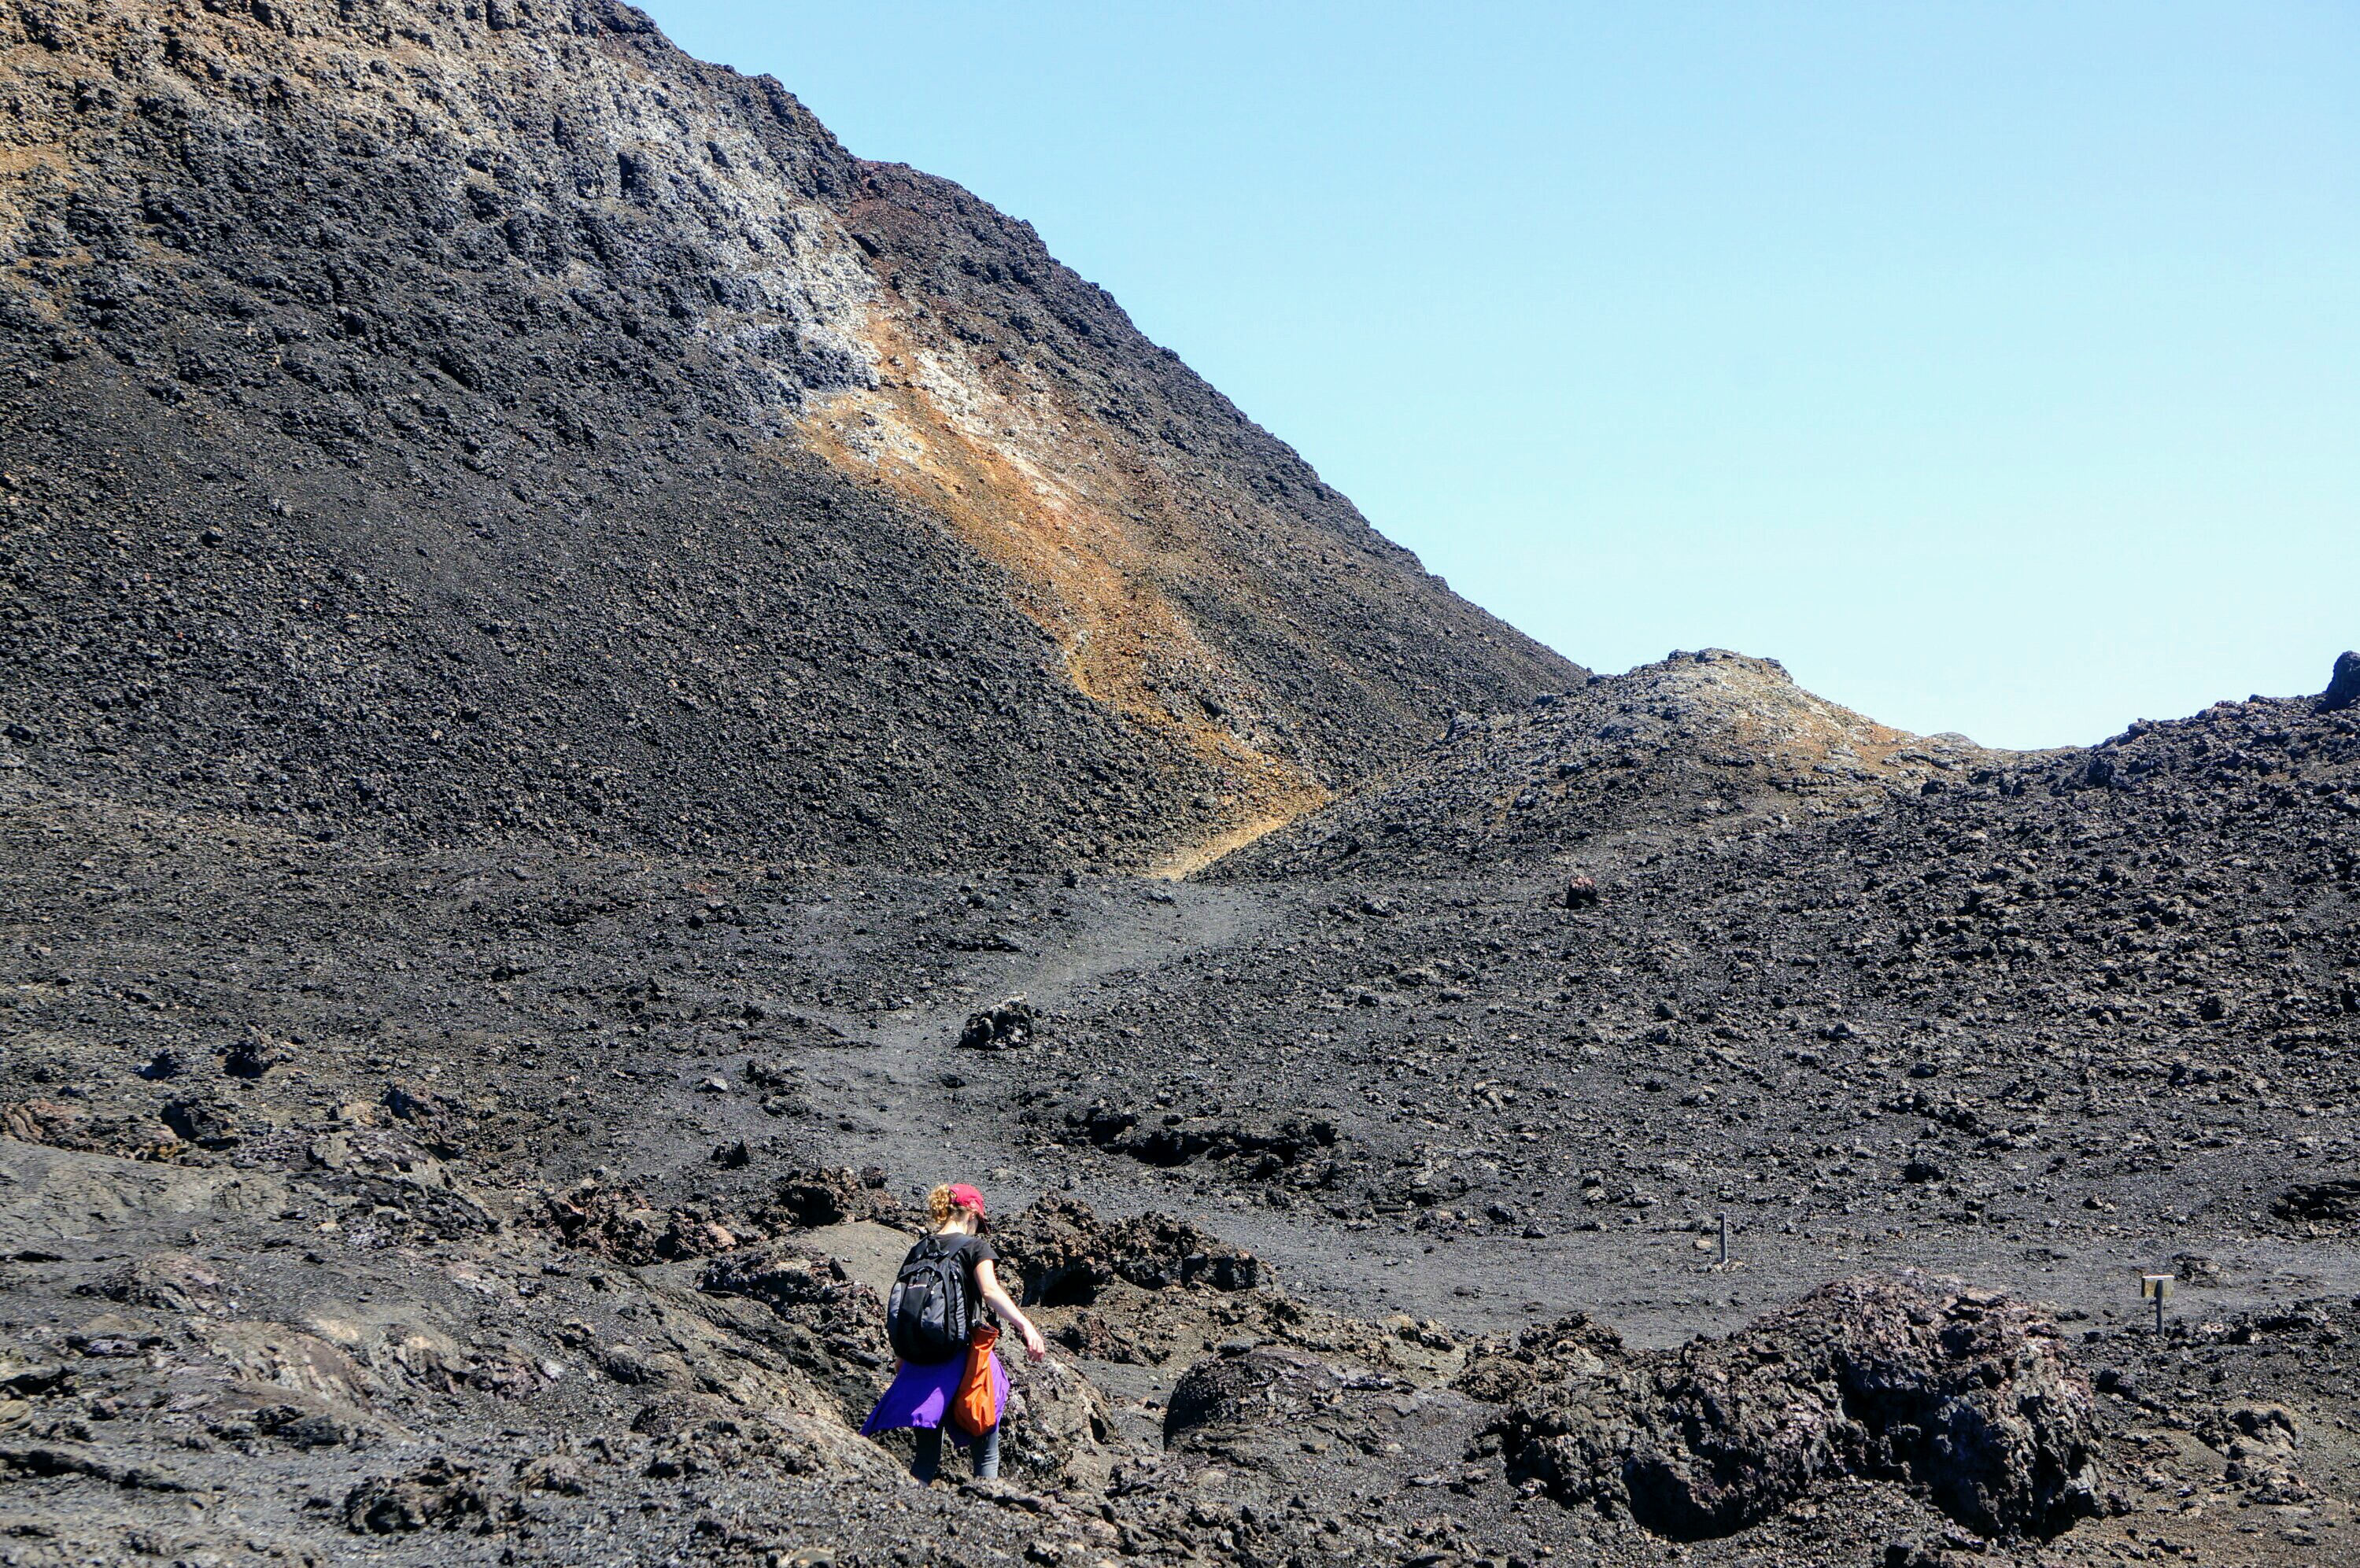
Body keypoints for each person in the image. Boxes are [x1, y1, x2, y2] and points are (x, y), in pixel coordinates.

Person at [860, 1182, 1047, 1484]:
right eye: (979, 1223)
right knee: (986, 1448)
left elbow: (907, 1304)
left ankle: (907, 1505)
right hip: (964, 1359)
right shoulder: (975, 1247)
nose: (978, 1230)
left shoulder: (920, 1248)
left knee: (925, 1457)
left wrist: (902, 1354)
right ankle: (988, 1503)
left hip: (921, 1364)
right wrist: (1027, 1326)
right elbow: (990, 1291)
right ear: (972, 1213)